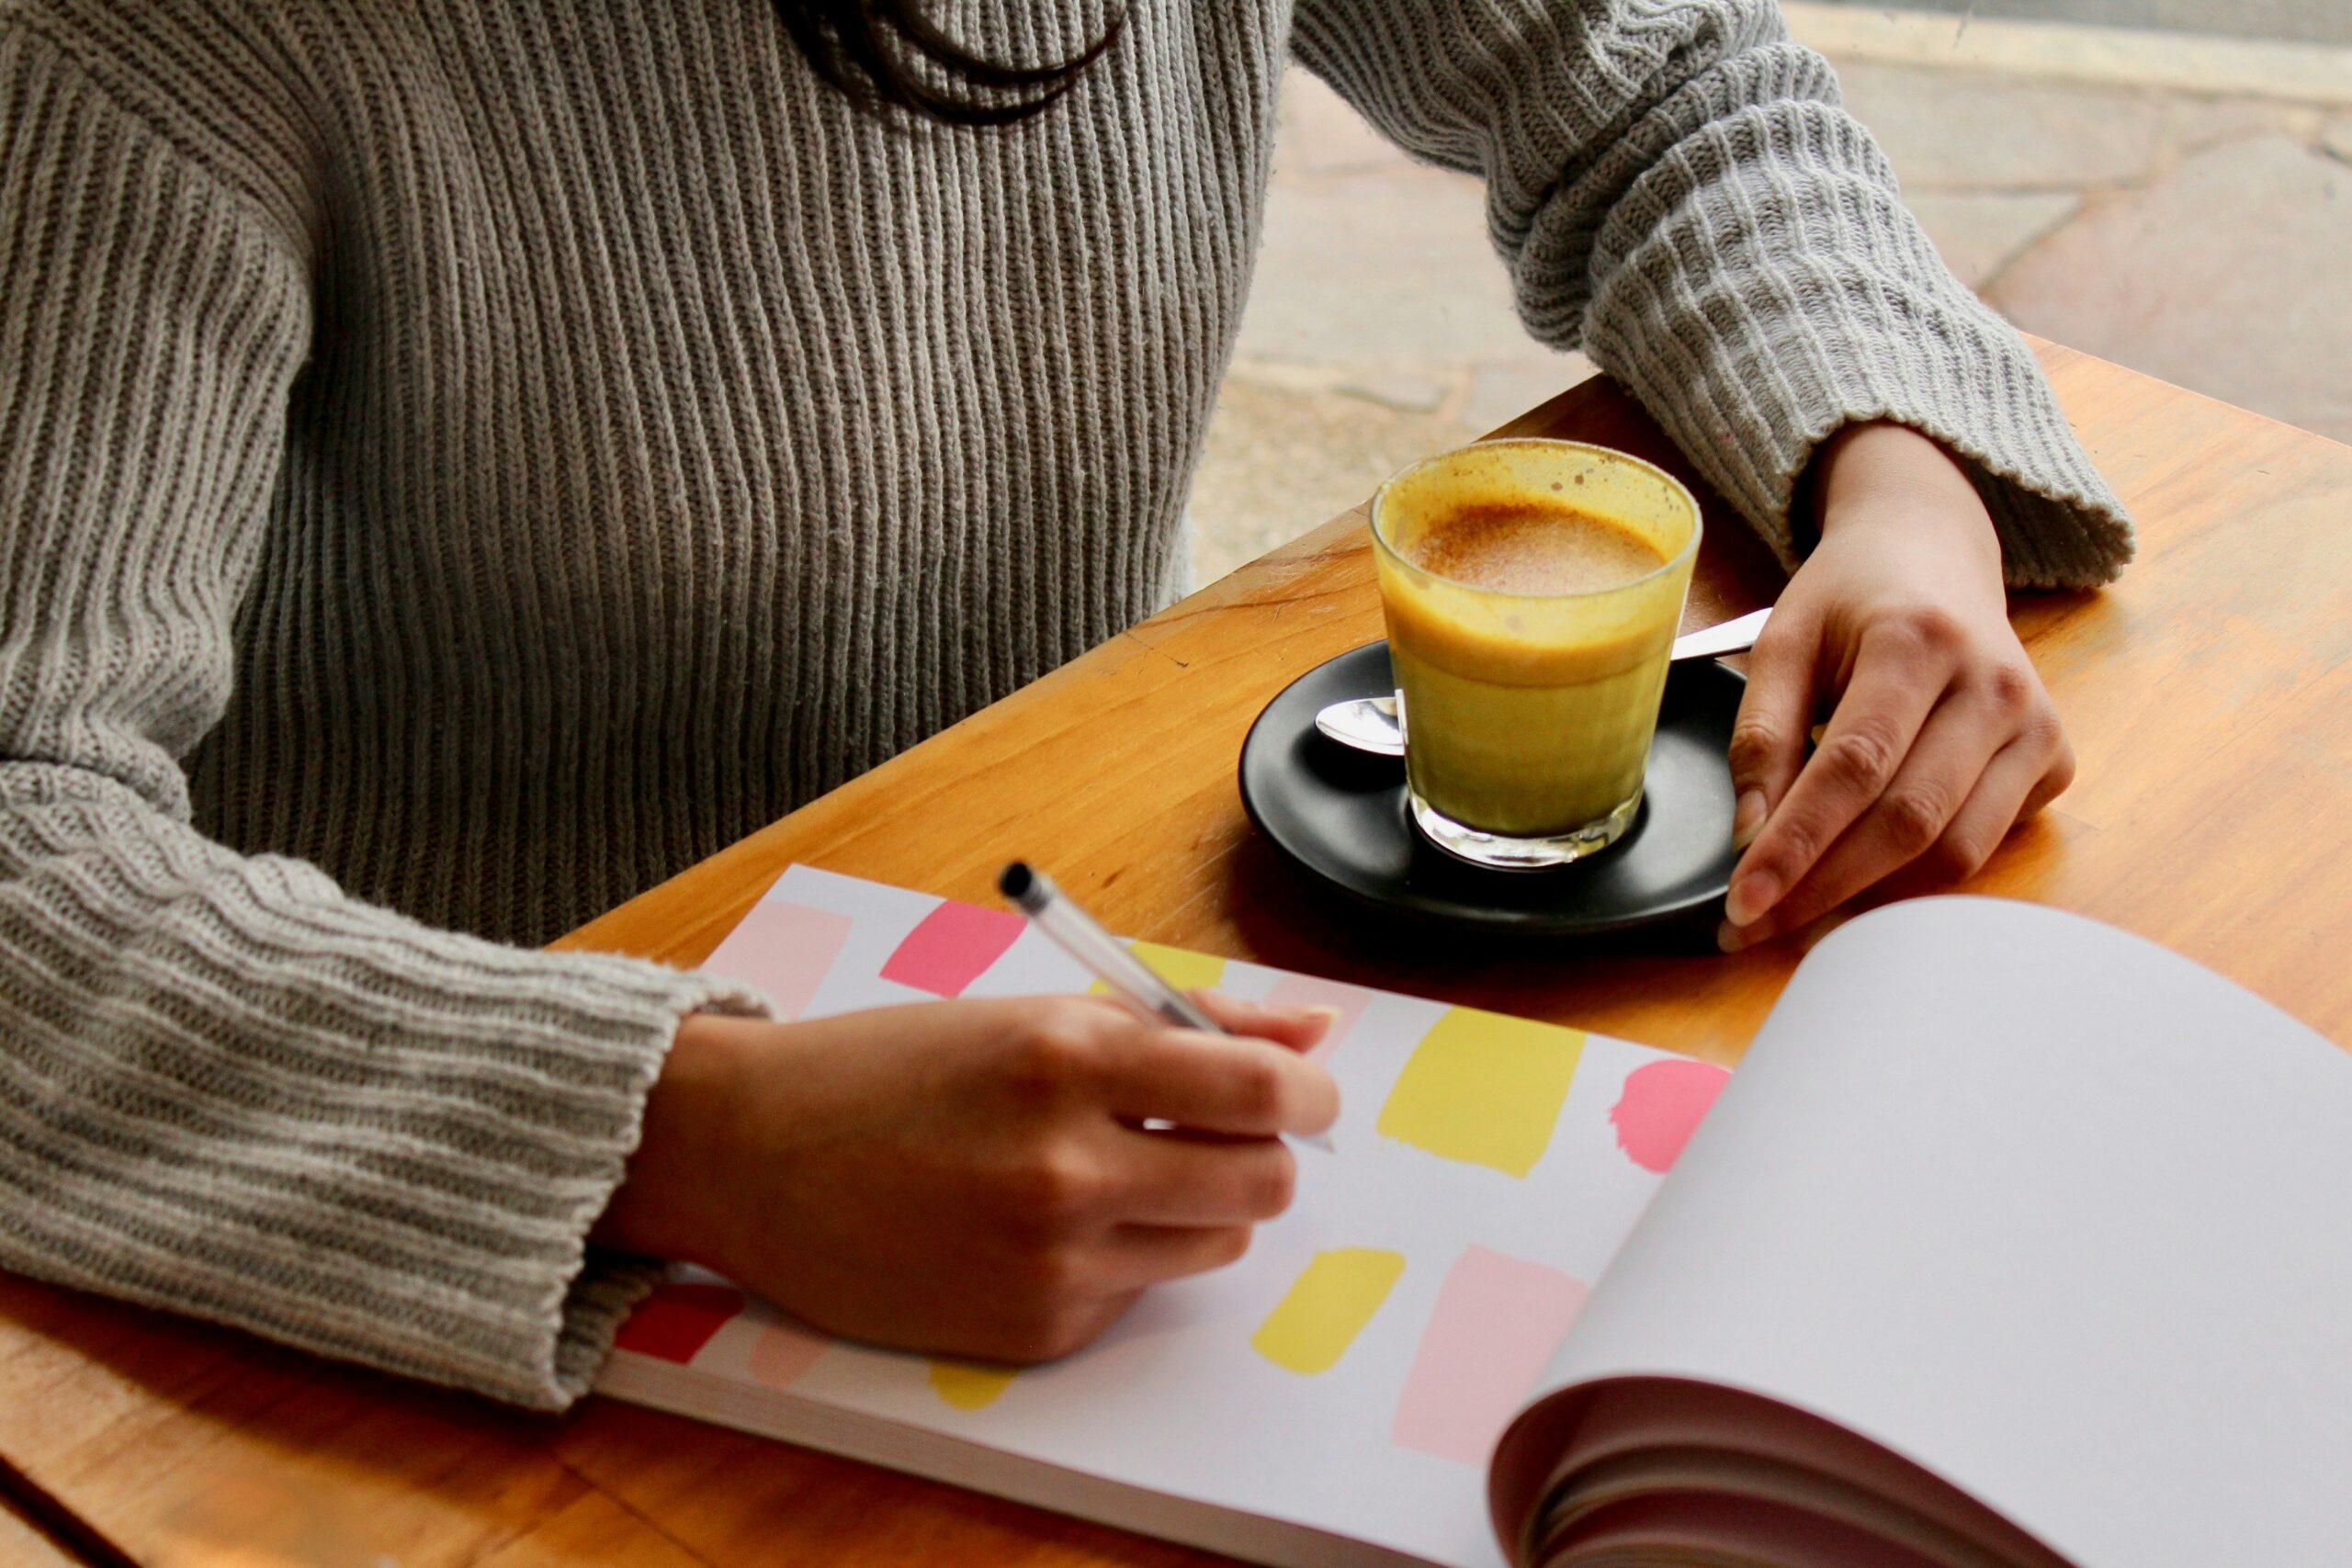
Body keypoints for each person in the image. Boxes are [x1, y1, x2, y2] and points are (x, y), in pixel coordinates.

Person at [0, 0, 2132, 1410]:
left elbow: (1655, 81)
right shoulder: (153, 44)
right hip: (446, 1224)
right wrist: (685, 1128)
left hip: (1088, 981)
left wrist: (1894, 474)